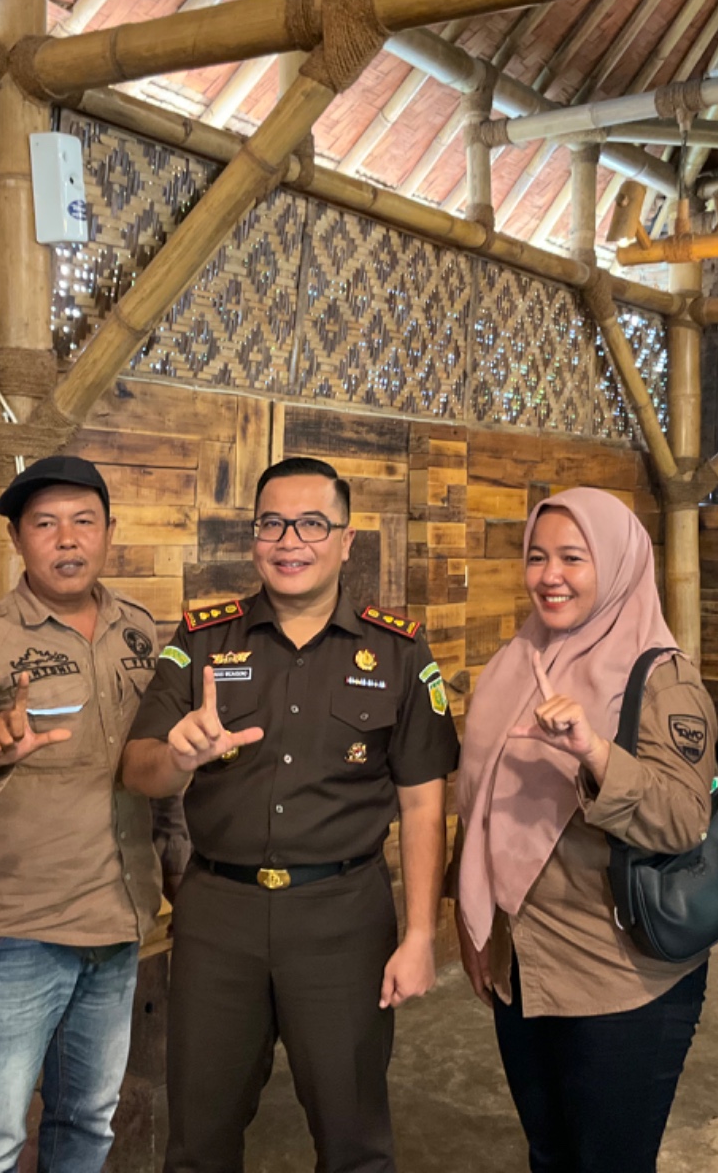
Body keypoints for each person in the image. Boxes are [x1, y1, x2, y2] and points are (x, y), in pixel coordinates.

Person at [122, 456, 458, 1173]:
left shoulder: (397, 650)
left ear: (346, 539)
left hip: (344, 918)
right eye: (271, 524)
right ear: (253, 537)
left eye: (312, 524)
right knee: (198, 1143)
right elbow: (138, 767)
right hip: (219, 916)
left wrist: (422, 934)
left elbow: (424, 801)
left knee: (353, 1140)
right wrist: (178, 757)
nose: (289, 541)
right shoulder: (203, 639)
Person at [0, 455, 167, 1173]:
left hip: (119, 920)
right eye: (45, 524)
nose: (67, 539)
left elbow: (159, 770)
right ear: (17, 539)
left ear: (109, 532)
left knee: (88, 1123)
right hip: (19, 932)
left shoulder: (141, 632)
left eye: (84, 521)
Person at [452, 487, 718, 1173]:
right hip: (523, 965)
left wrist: (595, 753)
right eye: (537, 557)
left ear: (619, 564)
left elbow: (683, 819)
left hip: (619, 978)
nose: (550, 576)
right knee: (549, 1154)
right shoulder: (519, 661)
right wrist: (473, 924)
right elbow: (481, 803)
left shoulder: (662, 680)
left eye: (574, 557)